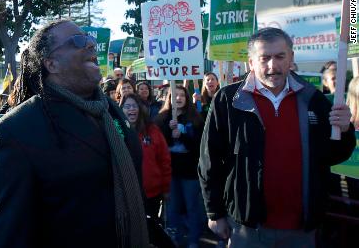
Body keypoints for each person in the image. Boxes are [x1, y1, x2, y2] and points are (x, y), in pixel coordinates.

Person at [0, 20, 148, 247]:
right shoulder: (14, 131)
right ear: (51, 64)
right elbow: (6, 238)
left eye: (90, 39)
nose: (91, 44)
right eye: (79, 41)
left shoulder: (110, 110)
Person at [199, 27, 356, 248]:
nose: (273, 65)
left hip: (301, 228)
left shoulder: (313, 99)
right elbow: (210, 161)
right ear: (251, 62)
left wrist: (344, 129)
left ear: (291, 57)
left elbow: (333, 155)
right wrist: (214, 212)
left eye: (280, 56)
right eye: (265, 58)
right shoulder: (227, 100)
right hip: (248, 227)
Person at [155, 85, 205, 247]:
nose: (178, 98)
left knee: (192, 207)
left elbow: (199, 146)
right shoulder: (161, 119)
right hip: (170, 172)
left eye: (182, 95)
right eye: (174, 95)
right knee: (172, 208)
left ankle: (193, 240)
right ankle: (173, 240)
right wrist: (169, 132)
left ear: (187, 98)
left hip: (190, 171)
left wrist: (182, 136)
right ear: (169, 98)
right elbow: (159, 146)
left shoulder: (196, 119)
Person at [120, 93, 171, 220]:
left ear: (140, 109)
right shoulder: (116, 131)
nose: (131, 109)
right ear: (121, 109)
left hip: (151, 193)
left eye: (134, 106)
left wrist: (165, 188)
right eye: (127, 106)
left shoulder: (152, 130)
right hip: (127, 194)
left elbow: (164, 159)